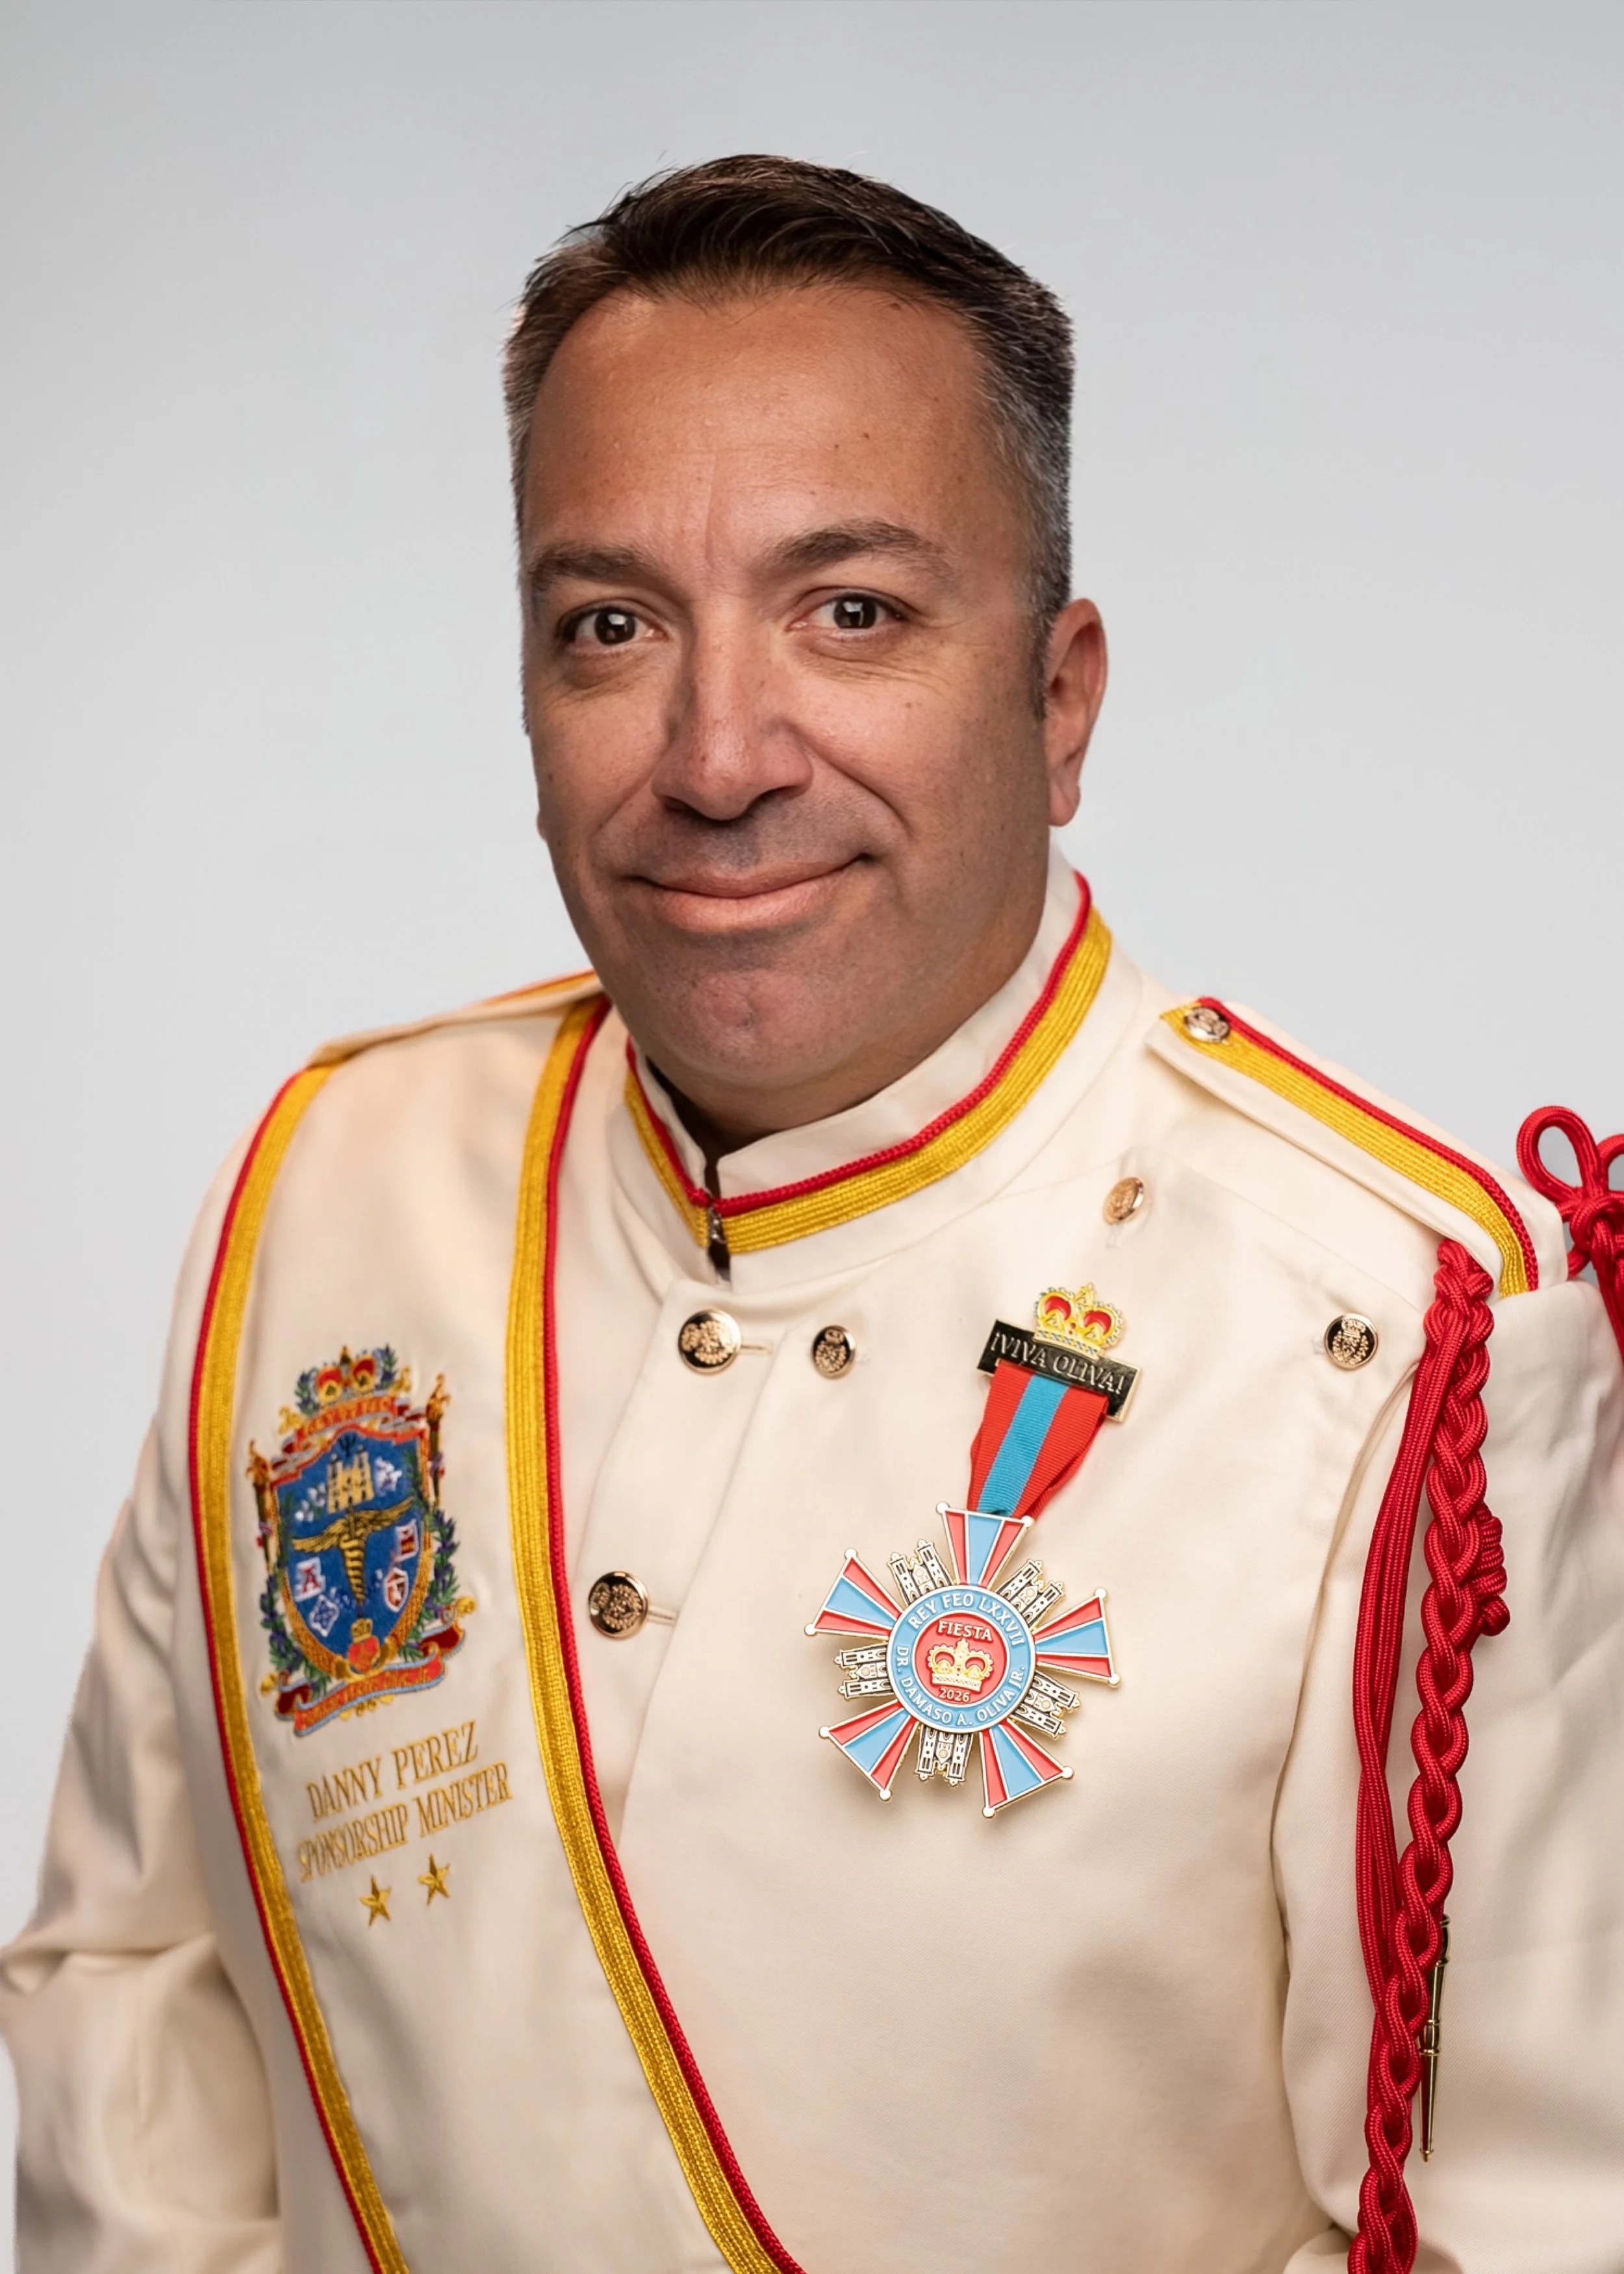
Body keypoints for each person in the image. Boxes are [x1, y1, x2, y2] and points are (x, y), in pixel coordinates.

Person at [4, 153, 1622, 2274]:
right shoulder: (327, 1189)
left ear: (1058, 698)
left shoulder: (1403, 1332)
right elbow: (134, 2001)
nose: (716, 756)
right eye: (610, 626)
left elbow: (1530, 2223)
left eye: (848, 611)